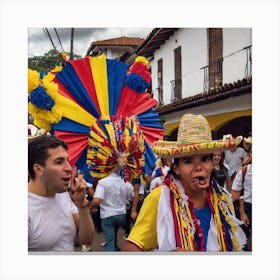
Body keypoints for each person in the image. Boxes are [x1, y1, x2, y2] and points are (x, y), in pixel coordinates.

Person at [123, 114, 247, 252]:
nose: (199, 167)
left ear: (212, 164)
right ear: (176, 168)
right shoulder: (159, 199)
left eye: (205, 159)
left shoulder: (222, 199)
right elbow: (131, 249)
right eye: (188, 161)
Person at [28, 135, 95, 252]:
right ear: (38, 169)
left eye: (67, 160)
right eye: (59, 162)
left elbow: (86, 240)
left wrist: (82, 205)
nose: (69, 168)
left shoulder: (62, 195)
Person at [89, 170, 134, 251]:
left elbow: (97, 200)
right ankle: (115, 246)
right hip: (121, 215)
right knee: (114, 233)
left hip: (107, 216)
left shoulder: (103, 182)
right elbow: (132, 196)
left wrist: (89, 209)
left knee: (109, 243)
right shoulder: (126, 183)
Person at [231, 137, 252, 250]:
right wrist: (242, 212)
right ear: (250, 154)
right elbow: (237, 193)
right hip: (250, 208)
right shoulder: (245, 170)